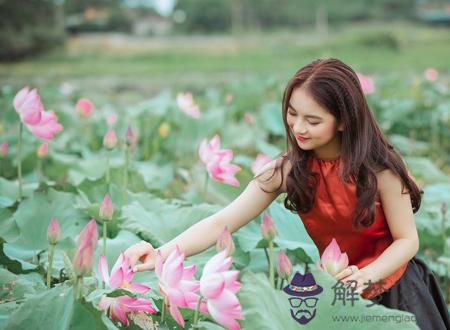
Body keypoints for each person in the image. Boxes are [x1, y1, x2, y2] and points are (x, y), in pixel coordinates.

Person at [124, 58, 450, 329]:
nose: (298, 128)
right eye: (293, 114)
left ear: (343, 121)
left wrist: (366, 277)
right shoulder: (288, 170)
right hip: (336, 292)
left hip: (393, 288)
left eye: (313, 120)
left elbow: (408, 240)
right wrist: (161, 252)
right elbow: (221, 221)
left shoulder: (380, 169)